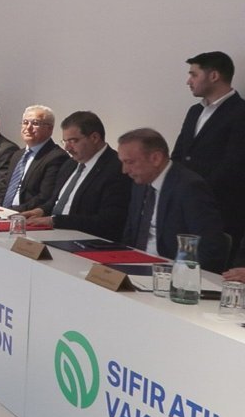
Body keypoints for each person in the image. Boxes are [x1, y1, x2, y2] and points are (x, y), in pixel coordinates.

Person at [118, 128, 227, 272]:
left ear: (156, 158)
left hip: (172, 271)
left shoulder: (189, 187)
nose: (124, 170)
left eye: (130, 162)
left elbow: (210, 247)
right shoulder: (140, 182)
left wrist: (178, 274)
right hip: (136, 264)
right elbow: (130, 234)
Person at [171, 51, 245, 258]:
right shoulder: (194, 111)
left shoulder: (240, 112)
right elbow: (179, 154)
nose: (189, 81)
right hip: (185, 205)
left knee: (209, 264)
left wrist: (196, 191)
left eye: (194, 75)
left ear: (213, 76)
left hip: (220, 208)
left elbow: (233, 165)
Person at [24, 111, 131, 241]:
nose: (67, 148)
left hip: (86, 241)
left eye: (73, 141)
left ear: (94, 138)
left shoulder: (117, 168)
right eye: (65, 141)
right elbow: (56, 201)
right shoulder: (70, 164)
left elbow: (108, 220)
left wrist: (55, 221)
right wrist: (40, 211)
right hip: (53, 234)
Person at [3, 105, 70, 212]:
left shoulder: (57, 157)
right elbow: (4, 187)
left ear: (50, 128)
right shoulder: (17, 155)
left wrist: (10, 212)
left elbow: (45, 197)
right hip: (4, 212)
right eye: (25, 122)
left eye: (35, 123)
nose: (28, 128)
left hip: (27, 215)